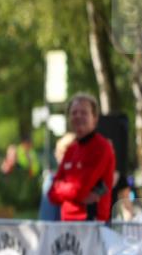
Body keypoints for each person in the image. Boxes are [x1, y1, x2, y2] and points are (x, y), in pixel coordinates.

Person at [48, 93, 115, 222]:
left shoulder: (101, 148)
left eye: (84, 113)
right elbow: (51, 193)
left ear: (94, 118)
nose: (78, 116)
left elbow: (80, 189)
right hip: (66, 224)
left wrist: (62, 188)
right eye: (74, 113)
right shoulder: (71, 150)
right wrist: (74, 192)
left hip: (91, 224)